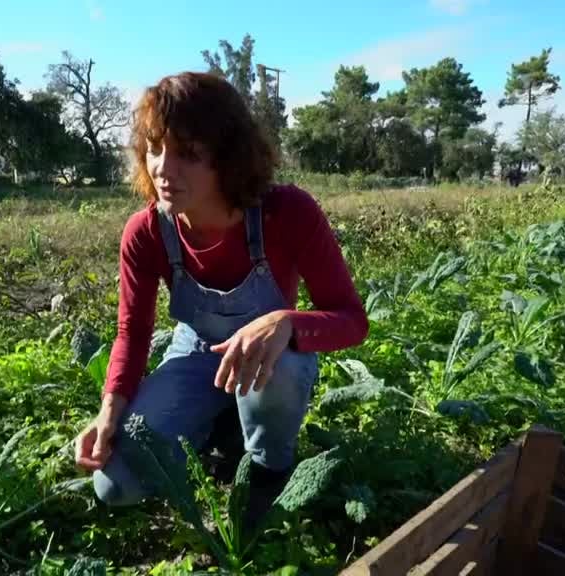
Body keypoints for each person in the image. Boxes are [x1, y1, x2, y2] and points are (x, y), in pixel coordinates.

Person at [73, 71, 369, 528]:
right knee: (118, 483)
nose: (163, 169)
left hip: (270, 364)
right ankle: (220, 425)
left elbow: (352, 320)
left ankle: (269, 470)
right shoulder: (147, 231)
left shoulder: (287, 212)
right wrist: (109, 413)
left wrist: (288, 322)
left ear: (229, 157)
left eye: (188, 154)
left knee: (284, 365)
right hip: (197, 353)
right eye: (154, 148)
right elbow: (132, 334)